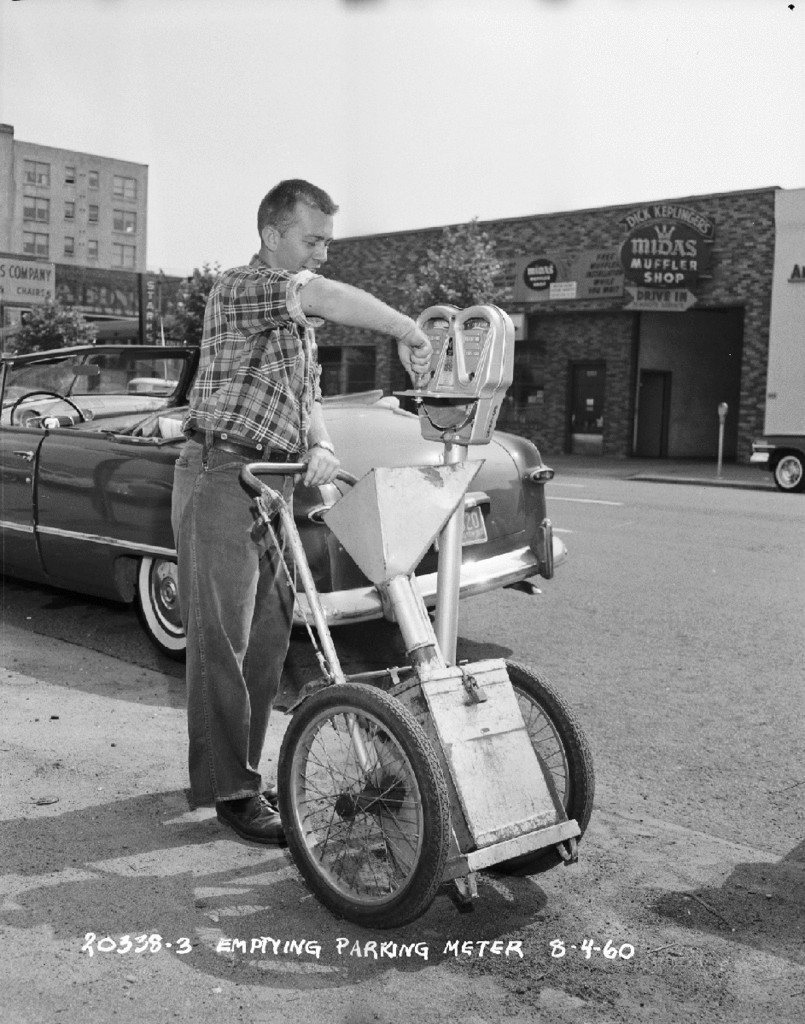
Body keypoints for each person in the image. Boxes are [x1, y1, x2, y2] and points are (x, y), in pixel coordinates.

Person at [171, 179, 433, 845]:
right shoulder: (241, 286)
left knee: (266, 640)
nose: (321, 253)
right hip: (221, 471)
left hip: (271, 482)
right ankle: (232, 792)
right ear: (271, 235)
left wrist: (317, 443)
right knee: (221, 643)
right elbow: (320, 295)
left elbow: (305, 396)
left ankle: (239, 769)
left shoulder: (293, 326)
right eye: (311, 239)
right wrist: (405, 326)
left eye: (326, 242)